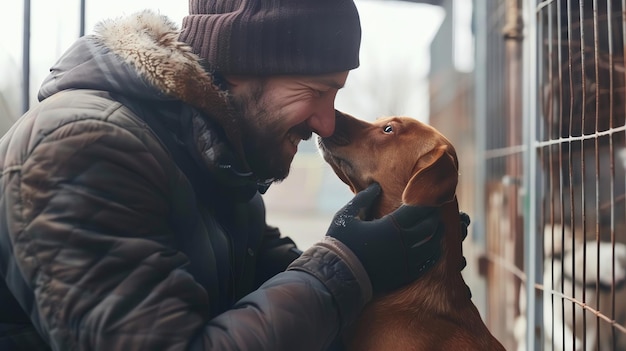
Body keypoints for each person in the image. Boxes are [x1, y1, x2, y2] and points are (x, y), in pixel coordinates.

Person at [0, 1, 467, 350]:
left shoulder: (217, 165)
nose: (327, 123)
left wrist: (400, 266)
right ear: (244, 67)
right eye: (315, 91)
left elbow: (276, 284)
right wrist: (349, 267)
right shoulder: (85, 146)